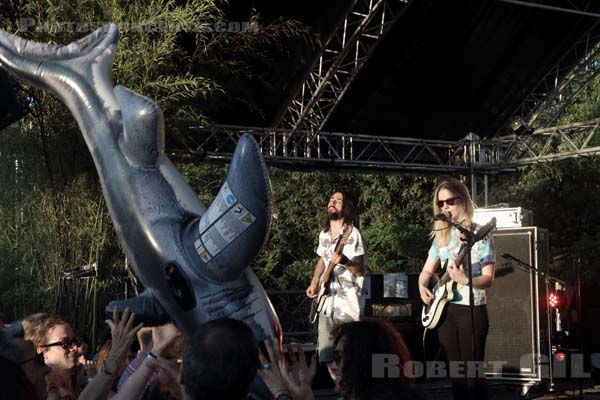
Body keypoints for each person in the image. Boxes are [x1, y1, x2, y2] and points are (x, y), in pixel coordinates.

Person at [418, 178, 495, 399]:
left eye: (450, 202)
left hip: (472, 309)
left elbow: (488, 279)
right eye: (440, 203)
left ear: (463, 201)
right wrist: (423, 286)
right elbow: (425, 272)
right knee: (456, 374)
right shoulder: (441, 237)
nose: (445, 207)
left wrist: (464, 279)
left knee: (473, 373)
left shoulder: (481, 234)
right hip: (445, 310)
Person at [306, 191, 366, 366]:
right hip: (326, 304)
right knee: (326, 356)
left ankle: (350, 392)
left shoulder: (352, 234)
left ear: (345, 207)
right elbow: (322, 260)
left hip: (347, 306)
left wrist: (343, 261)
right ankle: (339, 391)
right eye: (331, 199)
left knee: (348, 356)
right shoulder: (324, 234)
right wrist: (315, 281)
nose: (332, 202)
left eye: (338, 201)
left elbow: (360, 269)